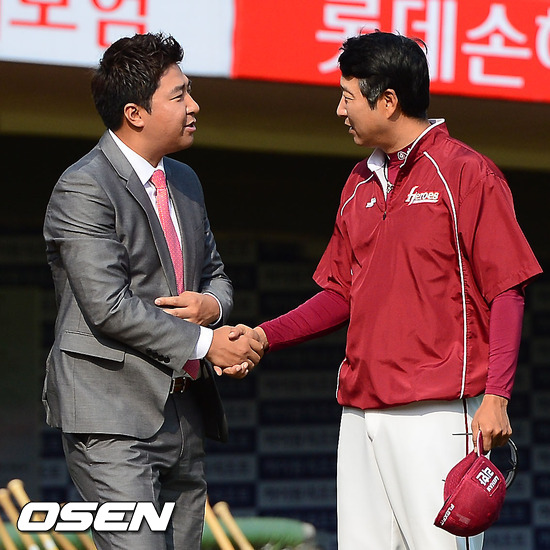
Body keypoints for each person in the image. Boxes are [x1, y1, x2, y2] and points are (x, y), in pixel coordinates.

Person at [223, 31, 542, 549]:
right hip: (359, 414)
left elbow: (508, 290)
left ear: (388, 101)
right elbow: (340, 294)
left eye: (348, 96)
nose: (340, 110)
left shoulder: (467, 172)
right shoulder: (358, 182)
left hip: (439, 413)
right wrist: (263, 336)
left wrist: (498, 396)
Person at [42, 32, 262, 550]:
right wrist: (209, 345)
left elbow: (217, 276)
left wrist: (211, 306)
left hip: (184, 412)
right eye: (180, 95)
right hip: (110, 417)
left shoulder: (185, 180)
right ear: (135, 114)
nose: (194, 105)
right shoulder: (83, 186)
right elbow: (108, 307)